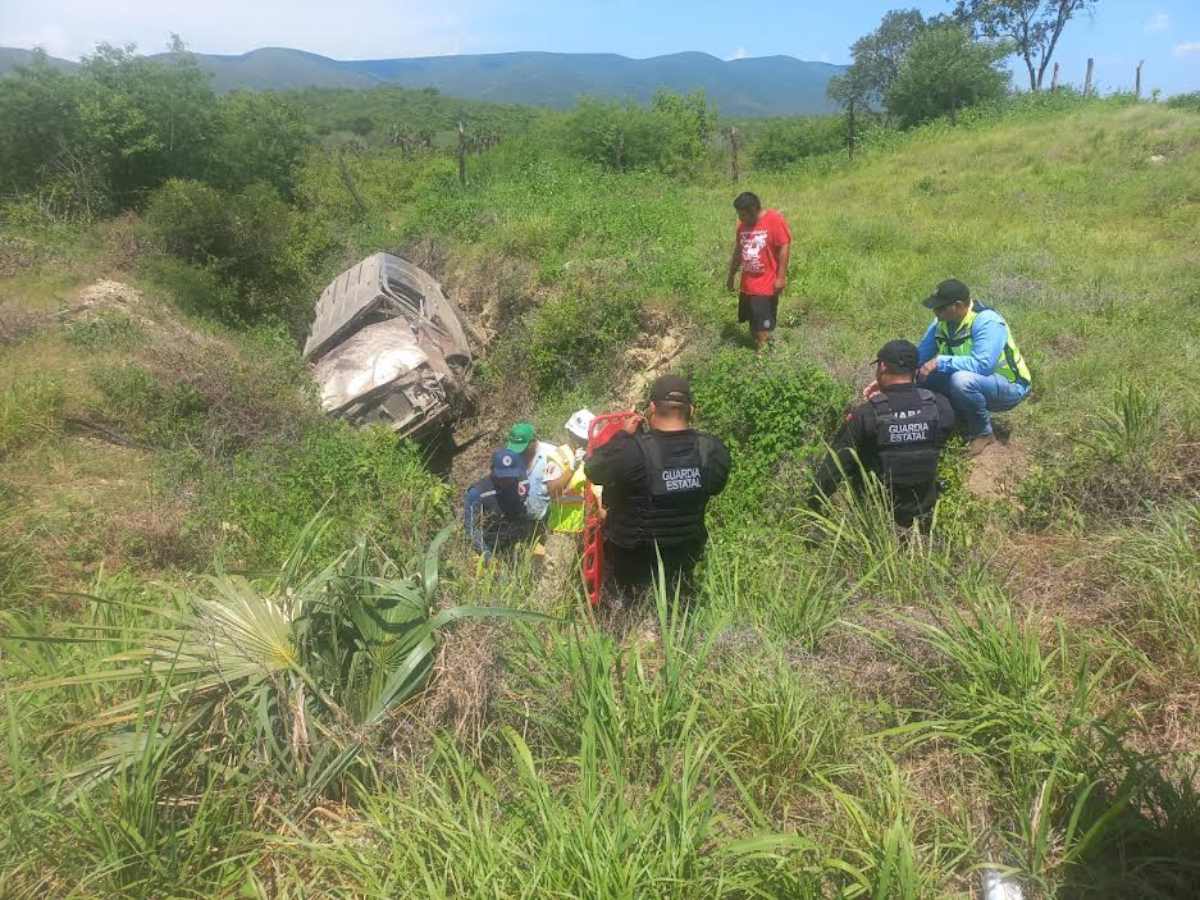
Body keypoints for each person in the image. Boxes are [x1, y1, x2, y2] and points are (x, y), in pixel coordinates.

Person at [585, 375, 731, 600]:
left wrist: (623, 435)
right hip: (683, 559)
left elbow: (593, 470)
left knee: (627, 622)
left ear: (652, 408)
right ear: (691, 410)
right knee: (677, 616)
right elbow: (715, 486)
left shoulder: (631, 450)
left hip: (632, 564)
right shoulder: (711, 450)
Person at [812, 340, 956, 528]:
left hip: (877, 515)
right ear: (915, 369)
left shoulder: (866, 414)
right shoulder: (940, 405)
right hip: (925, 514)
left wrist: (813, 505)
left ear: (882, 366)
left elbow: (834, 468)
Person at [901, 278, 1032, 456]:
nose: (935, 311)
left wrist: (940, 362)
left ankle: (983, 433)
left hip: (1010, 386)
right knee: (922, 375)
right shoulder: (940, 323)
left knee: (961, 381)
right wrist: (896, 378)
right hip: (976, 381)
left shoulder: (987, 321)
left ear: (958, 305)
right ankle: (954, 417)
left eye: (940, 308)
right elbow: (920, 357)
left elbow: (983, 365)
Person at [725, 191, 791, 352]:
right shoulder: (742, 226)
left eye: (743, 214)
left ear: (754, 208)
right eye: (738, 214)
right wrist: (731, 275)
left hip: (766, 283)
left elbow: (784, 245)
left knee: (762, 322)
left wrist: (781, 277)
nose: (740, 218)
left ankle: (762, 356)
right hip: (747, 284)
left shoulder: (773, 220)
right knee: (752, 320)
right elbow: (738, 251)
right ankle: (759, 345)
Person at [464, 449, 536, 559]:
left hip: (516, 543)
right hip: (491, 545)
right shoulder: (477, 493)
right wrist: (487, 556)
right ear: (492, 470)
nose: (507, 480)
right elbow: (472, 529)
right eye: (502, 476)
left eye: (510, 476)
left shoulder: (519, 483)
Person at [504, 421, 558, 522]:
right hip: (523, 519)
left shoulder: (552, 455)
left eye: (522, 448)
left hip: (548, 521)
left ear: (533, 442)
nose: (519, 452)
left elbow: (560, 488)